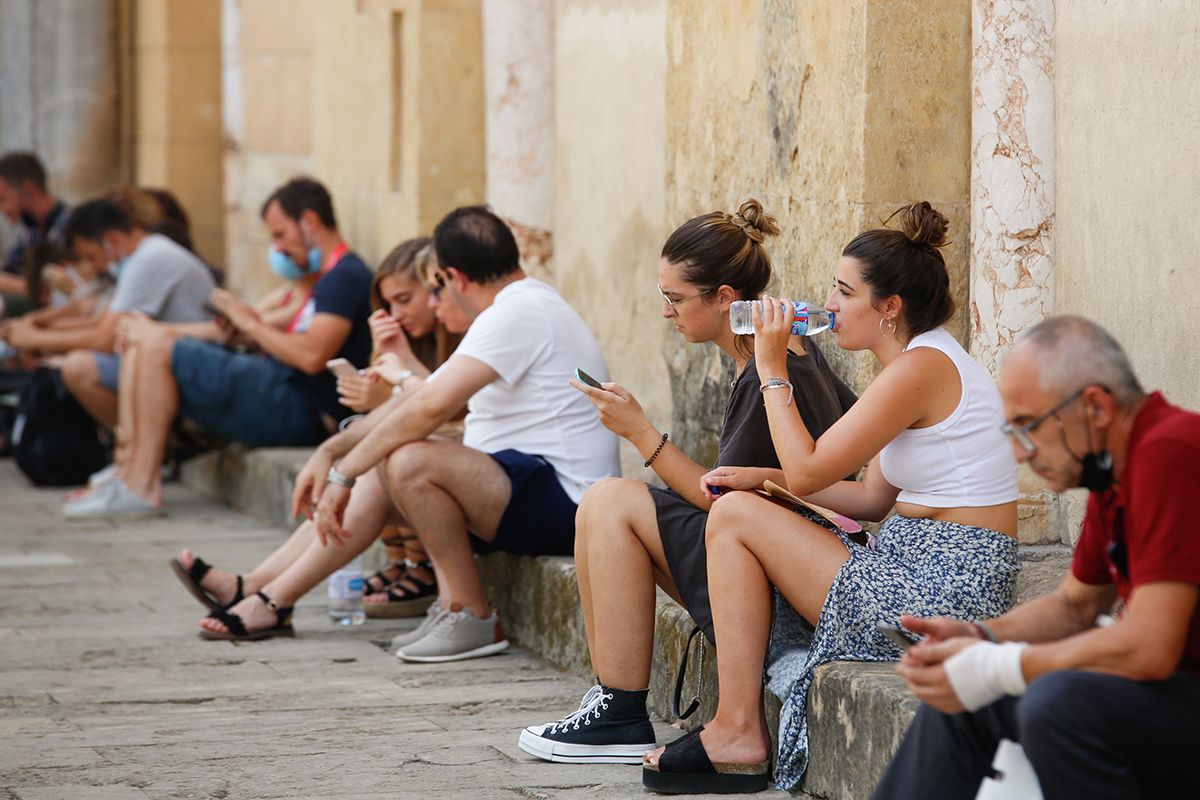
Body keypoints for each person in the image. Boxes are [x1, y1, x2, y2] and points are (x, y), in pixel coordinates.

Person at [641, 202, 1020, 794]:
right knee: (743, 504)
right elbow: (870, 498)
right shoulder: (919, 365)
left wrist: (771, 368)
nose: (830, 304)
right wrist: (765, 480)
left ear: (889, 307)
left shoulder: (920, 368)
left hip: (947, 589)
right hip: (914, 565)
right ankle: (736, 725)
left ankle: (737, 730)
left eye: (845, 292)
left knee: (736, 516)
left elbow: (812, 470)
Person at [517, 199, 856, 765]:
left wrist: (641, 433)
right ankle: (609, 699)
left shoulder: (772, 372)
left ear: (725, 299)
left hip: (772, 584)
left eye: (675, 300)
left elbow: (721, 498)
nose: (667, 313)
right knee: (604, 504)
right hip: (776, 560)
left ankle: (620, 711)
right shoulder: (790, 351)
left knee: (611, 504)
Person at [870, 315, 1200, 800]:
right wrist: (980, 636)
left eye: (1029, 426)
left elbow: (1150, 645)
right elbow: (1075, 606)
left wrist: (999, 665)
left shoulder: (1170, 453)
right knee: (963, 694)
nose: (1020, 453)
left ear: (1095, 407)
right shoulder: (1115, 471)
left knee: (1056, 704)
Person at [273, 205, 619, 661]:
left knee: (411, 460)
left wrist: (343, 472)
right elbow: (428, 400)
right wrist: (338, 455)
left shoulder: (516, 311)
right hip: (535, 486)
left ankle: (469, 613)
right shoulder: (520, 305)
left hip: (568, 502)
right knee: (392, 462)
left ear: (454, 276)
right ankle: (267, 592)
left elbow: (430, 407)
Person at [169, 238, 463, 635]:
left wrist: (395, 383)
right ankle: (257, 586)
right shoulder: (430, 336)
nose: (396, 314)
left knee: (374, 467)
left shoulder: (468, 333)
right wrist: (332, 449)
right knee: (367, 457)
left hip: (472, 471)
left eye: (407, 298)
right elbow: (405, 410)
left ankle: (274, 599)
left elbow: (439, 412)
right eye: (388, 305)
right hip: (445, 464)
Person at [62, 176, 373, 518]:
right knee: (144, 337)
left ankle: (142, 486)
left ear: (310, 222)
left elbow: (312, 356)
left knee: (152, 343)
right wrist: (245, 329)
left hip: (303, 408)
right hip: (279, 386)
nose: (278, 248)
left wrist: (250, 323)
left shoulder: (344, 276)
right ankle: (128, 473)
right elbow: (288, 338)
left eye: (281, 235)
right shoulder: (321, 279)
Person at [6, 190, 215, 429]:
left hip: (189, 369)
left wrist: (36, 337)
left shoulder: (148, 259)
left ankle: (135, 445)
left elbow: (105, 338)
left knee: (79, 367)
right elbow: (100, 322)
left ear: (111, 240)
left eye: (91, 256)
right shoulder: (141, 256)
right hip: (170, 361)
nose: (95, 266)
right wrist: (39, 332)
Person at [0, 151, 69, 316]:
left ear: (28, 191)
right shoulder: (30, 227)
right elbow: (11, 268)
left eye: (2, 199)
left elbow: (45, 292)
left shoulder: (68, 228)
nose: (2, 210)